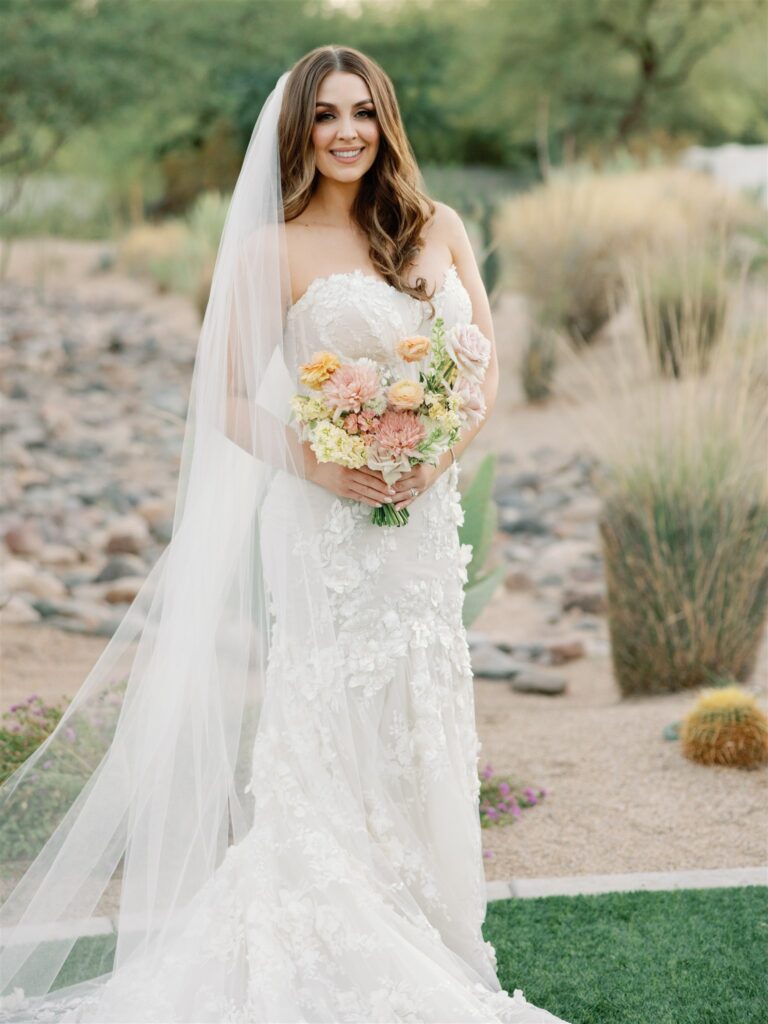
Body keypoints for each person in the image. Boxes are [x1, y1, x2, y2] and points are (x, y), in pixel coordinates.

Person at [0, 45, 571, 1023]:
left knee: (419, 702)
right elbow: (222, 393)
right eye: (325, 115)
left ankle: (428, 927)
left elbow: (481, 369)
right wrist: (319, 462)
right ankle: (321, 933)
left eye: (362, 111)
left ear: (386, 121)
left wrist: (438, 454)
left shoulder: (440, 227)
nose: (346, 131)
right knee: (331, 710)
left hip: (422, 522)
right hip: (324, 521)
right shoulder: (272, 245)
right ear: (300, 130)